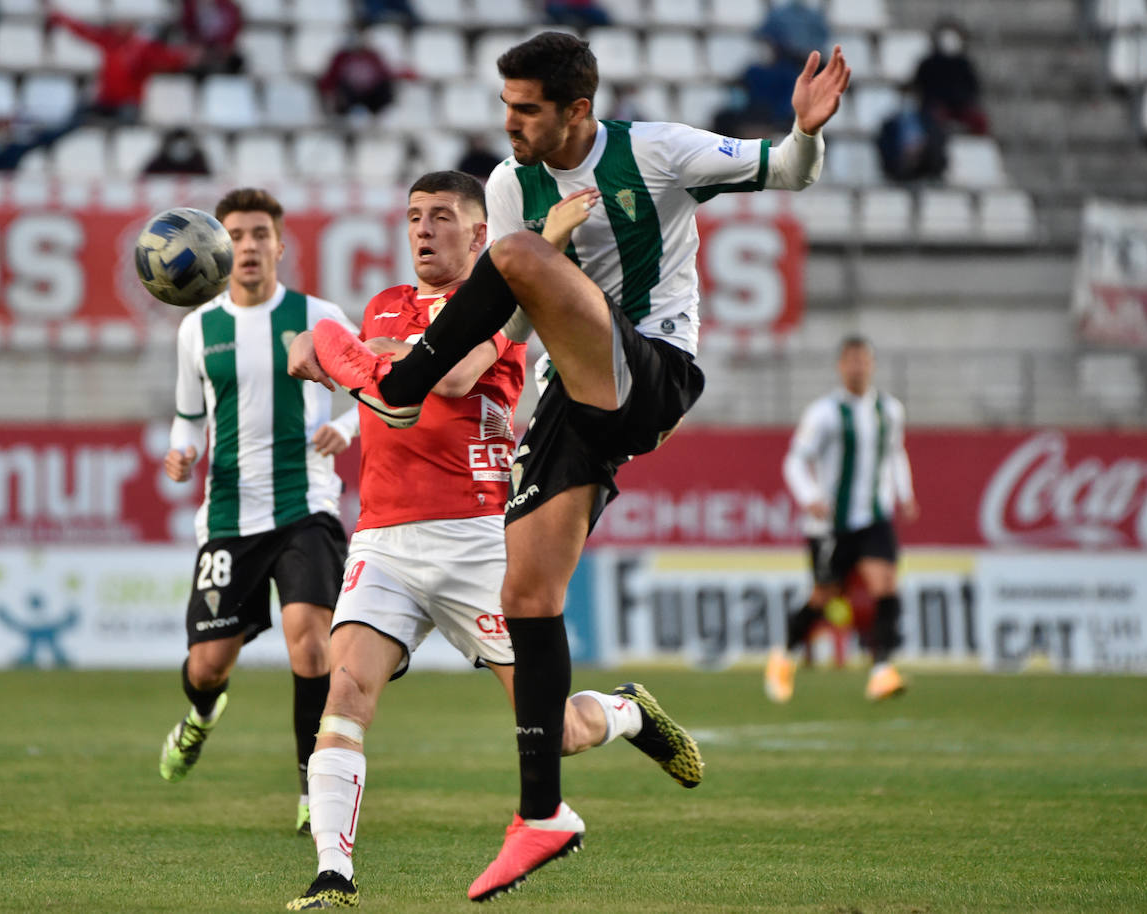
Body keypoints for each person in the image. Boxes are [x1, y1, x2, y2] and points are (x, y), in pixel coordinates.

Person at [304, 31, 849, 901]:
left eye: (526, 110)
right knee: (529, 597)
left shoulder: (657, 151)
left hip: (654, 368)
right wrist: (498, 345)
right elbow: (513, 316)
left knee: (514, 255)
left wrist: (808, 130)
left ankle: (399, 384)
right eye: (506, 106)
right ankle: (545, 815)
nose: (510, 124)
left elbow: (788, 172)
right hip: (570, 402)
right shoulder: (508, 182)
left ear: (577, 112)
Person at [284, 170, 700, 910]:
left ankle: (627, 711)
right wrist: (343, 351)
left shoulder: (511, 308)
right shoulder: (388, 302)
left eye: (441, 217)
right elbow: (370, 361)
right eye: (414, 216)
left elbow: (447, 377)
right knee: (342, 694)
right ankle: (332, 876)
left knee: (560, 730)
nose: (422, 230)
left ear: (481, 233)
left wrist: (344, 355)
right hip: (383, 537)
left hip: (477, 540)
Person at [159, 187, 360, 837]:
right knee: (206, 666)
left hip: (308, 505)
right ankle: (201, 716)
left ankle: (312, 786)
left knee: (310, 641)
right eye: (236, 235)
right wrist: (181, 451)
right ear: (221, 247)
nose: (248, 245)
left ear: (280, 244)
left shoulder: (318, 315)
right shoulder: (198, 328)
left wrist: (348, 428)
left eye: (258, 234)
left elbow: (376, 385)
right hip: (228, 516)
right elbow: (190, 417)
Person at [765, 336, 917, 703]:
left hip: (875, 518)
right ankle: (783, 656)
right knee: (823, 596)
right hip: (831, 524)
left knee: (886, 586)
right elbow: (795, 460)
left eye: (864, 360)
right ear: (840, 366)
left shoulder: (890, 410)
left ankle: (881, 670)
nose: (858, 367)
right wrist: (810, 498)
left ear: (873, 365)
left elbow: (896, 453)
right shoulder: (825, 413)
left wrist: (906, 494)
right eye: (851, 361)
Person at [48, 8, 199, 122]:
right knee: (78, 115)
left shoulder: (143, 48)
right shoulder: (109, 42)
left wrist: (187, 55)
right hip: (105, 102)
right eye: (120, 22)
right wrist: (60, 18)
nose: (121, 26)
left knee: (126, 119)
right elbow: (83, 30)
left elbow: (167, 57)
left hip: (128, 105)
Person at [911, 18, 989, 136]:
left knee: (979, 120)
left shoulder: (964, 64)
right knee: (934, 118)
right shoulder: (928, 64)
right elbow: (920, 87)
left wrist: (964, 101)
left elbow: (973, 88)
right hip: (937, 106)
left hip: (961, 106)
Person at [317, 28, 396, 119]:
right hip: (349, 96)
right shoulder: (341, 57)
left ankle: (381, 117)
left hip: (371, 95)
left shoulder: (373, 56)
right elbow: (330, 78)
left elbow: (385, 74)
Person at [142, 127, 211, 175]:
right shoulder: (161, 160)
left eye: (184, 148)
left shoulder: (197, 160)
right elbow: (146, 178)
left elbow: (207, 181)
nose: (180, 151)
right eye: (177, 148)